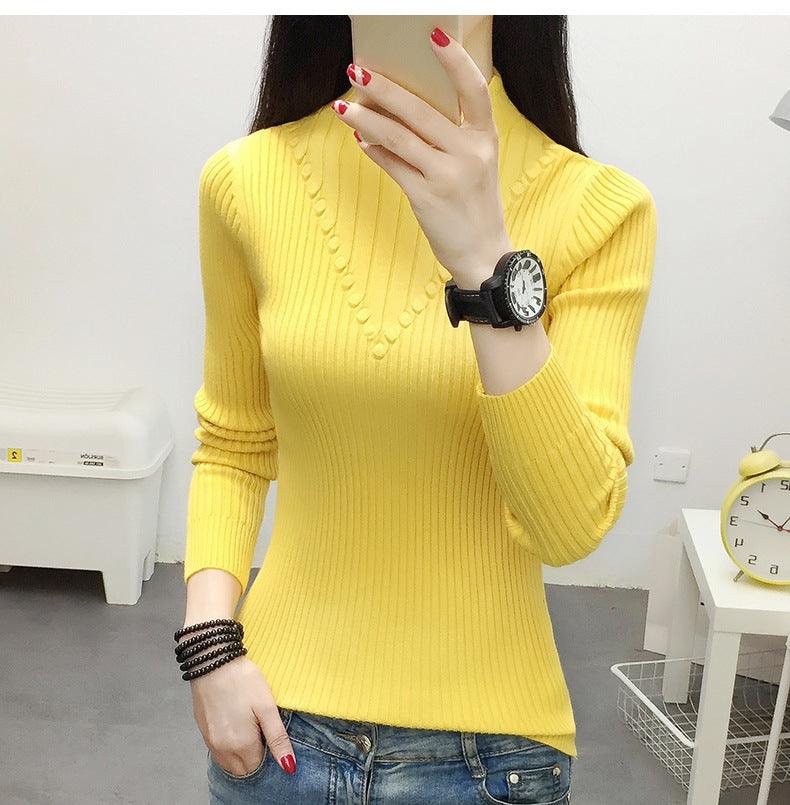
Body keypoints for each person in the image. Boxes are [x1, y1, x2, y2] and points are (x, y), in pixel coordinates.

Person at [177, 14, 657, 804]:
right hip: (278, 730)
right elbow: (233, 442)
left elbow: (569, 527)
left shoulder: (601, 207)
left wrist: (486, 259)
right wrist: (210, 653)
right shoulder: (246, 180)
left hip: (494, 754)